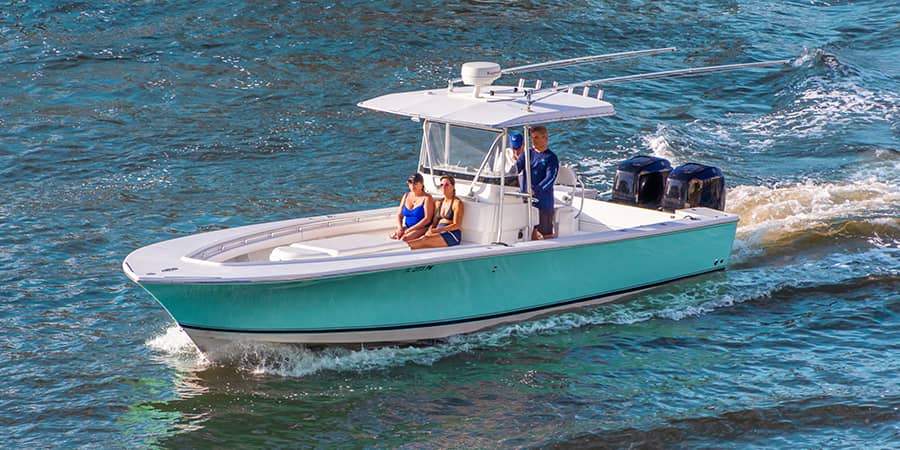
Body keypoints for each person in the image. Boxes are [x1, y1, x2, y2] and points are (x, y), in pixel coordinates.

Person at [515, 125, 559, 240]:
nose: (533, 141)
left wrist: (537, 190)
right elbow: (516, 169)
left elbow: (550, 178)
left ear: (545, 139)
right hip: (526, 198)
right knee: (529, 230)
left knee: (545, 232)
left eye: (536, 138)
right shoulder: (527, 154)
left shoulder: (551, 158)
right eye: (532, 138)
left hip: (543, 201)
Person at [408, 175, 464, 249]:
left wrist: (438, 230)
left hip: (452, 235)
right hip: (438, 231)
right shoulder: (439, 203)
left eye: (446, 184)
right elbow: (434, 223)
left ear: (453, 187)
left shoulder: (457, 203)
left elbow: (457, 225)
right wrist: (429, 230)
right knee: (423, 238)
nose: (444, 187)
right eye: (441, 185)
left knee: (424, 240)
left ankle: (403, 250)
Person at [390, 173, 434, 241]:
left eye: (415, 184)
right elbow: (399, 215)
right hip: (408, 227)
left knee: (404, 239)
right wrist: (400, 228)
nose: (412, 186)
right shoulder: (406, 195)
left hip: (422, 228)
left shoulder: (427, 198)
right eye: (410, 184)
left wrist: (411, 229)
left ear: (422, 185)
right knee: (393, 236)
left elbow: (427, 219)